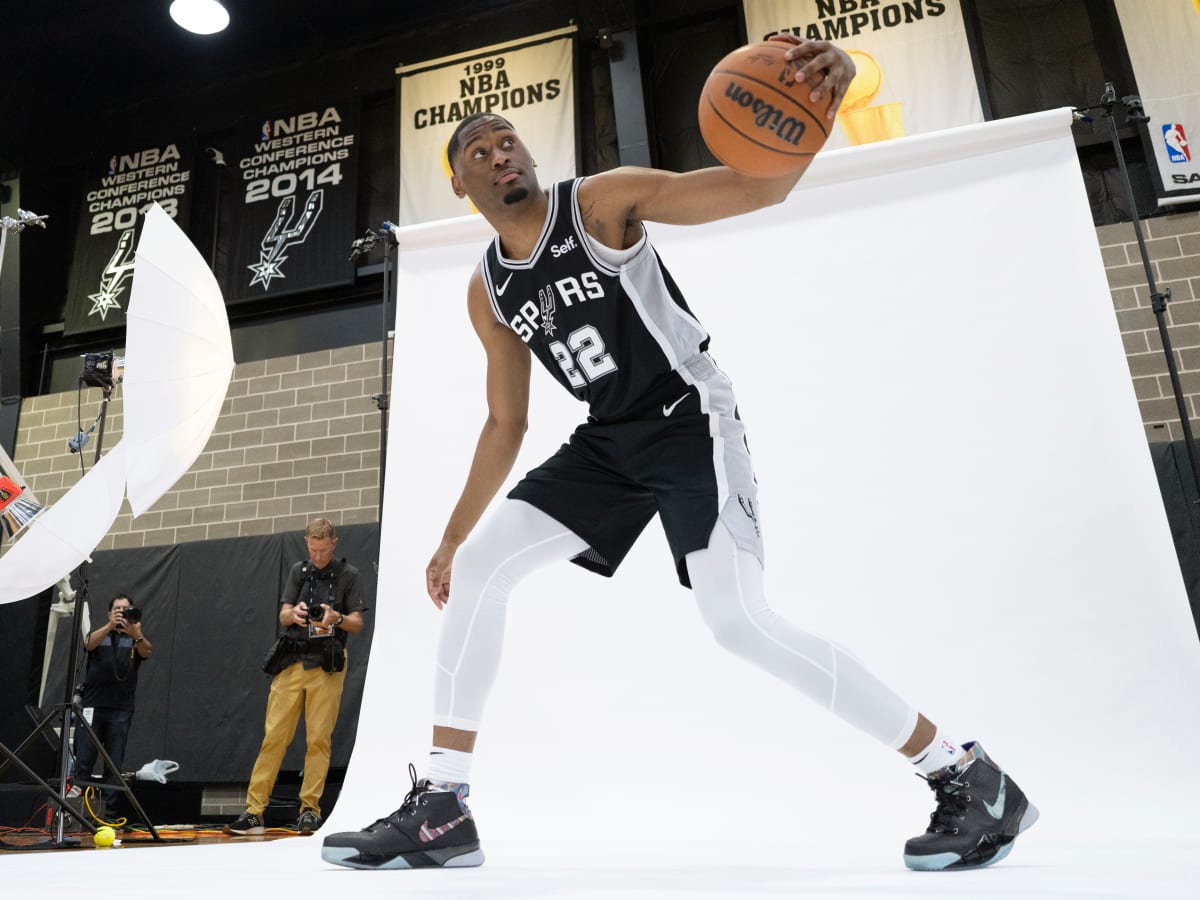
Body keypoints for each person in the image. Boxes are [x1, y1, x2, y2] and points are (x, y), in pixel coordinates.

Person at [322, 35, 1037, 873]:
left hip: (688, 417)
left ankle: (966, 774)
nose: (498, 153)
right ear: (459, 182)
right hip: (607, 441)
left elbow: (757, 187)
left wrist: (825, 102)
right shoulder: (489, 290)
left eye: (507, 139)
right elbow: (505, 422)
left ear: (529, 155)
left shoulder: (600, 203)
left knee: (739, 623)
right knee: (481, 568)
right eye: (477, 151)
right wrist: (450, 538)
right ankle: (443, 808)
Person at [226, 517, 368, 836]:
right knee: (274, 736)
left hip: (327, 663)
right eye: (313, 549)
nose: (318, 556)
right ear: (307, 543)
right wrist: (294, 614)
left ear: (334, 543)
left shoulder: (349, 575)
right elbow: (283, 613)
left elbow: (357, 622)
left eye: (323, 550)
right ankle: (254, 810)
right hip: (292, 659)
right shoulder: (298, 571)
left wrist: (336, 618)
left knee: (318, 739)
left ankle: (309, 810)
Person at [72, 593, 152, 814]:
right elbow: (88, 644)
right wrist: (110, 625)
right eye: (117, 609)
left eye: (126, 610)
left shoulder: (135, 638)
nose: (121, 613)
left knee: (113, 764)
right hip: (93, 706)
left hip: (120, 709)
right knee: (84, 761)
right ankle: (77, 813)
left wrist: (136, 633)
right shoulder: (101, 634)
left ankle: (109, 814)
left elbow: (147, 651)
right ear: (109, 613)